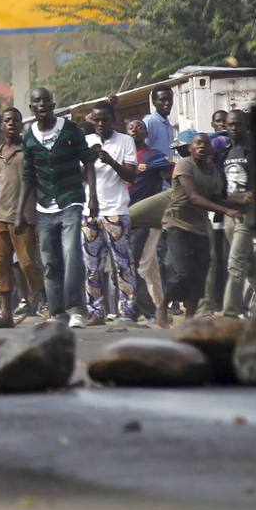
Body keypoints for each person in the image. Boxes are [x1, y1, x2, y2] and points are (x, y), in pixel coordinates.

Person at [21, 87, 98, 329]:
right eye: (37, 101)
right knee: (50, 261)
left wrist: (92, 196)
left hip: (71, 200)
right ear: (32, 107)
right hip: (44, 206)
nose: (42, 104)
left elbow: (88, 161)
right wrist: (20, 212)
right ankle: (57, 312)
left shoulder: (70, 130)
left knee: (71, 253)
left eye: (46, 100)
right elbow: (28, 175)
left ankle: (76, 309)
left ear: (53, 104)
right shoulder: (29, 136)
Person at [160, 131, 243, 326]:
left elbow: (214, 198)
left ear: (210, 148)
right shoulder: (184, 165)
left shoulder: (213, 170)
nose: (202, 146)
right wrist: (226, 210)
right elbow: (193, 197)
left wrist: (238, 200)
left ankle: (189, 318)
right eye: (197, 143)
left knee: (200, 275)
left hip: (199, 226)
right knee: (183, 272)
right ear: (190, 148)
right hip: (177, 222)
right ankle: (163, 304)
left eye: (205, 143)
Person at [0, 107, 47, 329]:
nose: (11, 124)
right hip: (1, 217)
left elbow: (37, 182)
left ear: (21, 125)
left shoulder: (28, 151)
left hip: (25, 217)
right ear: (2, 126)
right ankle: (5, 314)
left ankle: (44, 304)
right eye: (7, 120)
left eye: (15, 120)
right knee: (1, 264)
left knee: (28, 262)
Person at [82, 102, 138, 324]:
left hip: (116, 211)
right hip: (90, 212)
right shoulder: (86, 142)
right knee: (91, 267)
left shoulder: (126, 141)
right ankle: (95, 312)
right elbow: (79, 177)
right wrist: (89, 160)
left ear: (113, 120)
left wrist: (111, 161)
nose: (100, 124)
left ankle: (127, 311)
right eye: (96, 120)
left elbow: (131, 176)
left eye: (104, 119)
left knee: (122, 264)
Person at [220, 109, 256, 317]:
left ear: (245, 125)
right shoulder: (225, 153)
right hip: (230, 215)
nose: (233, 128)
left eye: (237, 124)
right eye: (230, 125)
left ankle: (230, 314)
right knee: (250, 267)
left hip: (247, 215)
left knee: (236, 264)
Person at [125, 118, 171, 322]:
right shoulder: (123, 156)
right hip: (123, 217)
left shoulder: (154, 156)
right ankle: (160, 309)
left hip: (146, 220)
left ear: (146, 132)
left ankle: (148, 311)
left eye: (139, 127)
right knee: (150, 269)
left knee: (138, 265)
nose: (135, 130)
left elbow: (172, 177)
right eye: (131, 127)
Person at [143, 86, 176, 164]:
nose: (167, 103)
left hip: (168, 169)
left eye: (169, 99)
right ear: (154, 102)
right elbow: (143, 152)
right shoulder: (149, 122)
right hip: (154, 171)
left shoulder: (167, 123)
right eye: (163, 100)